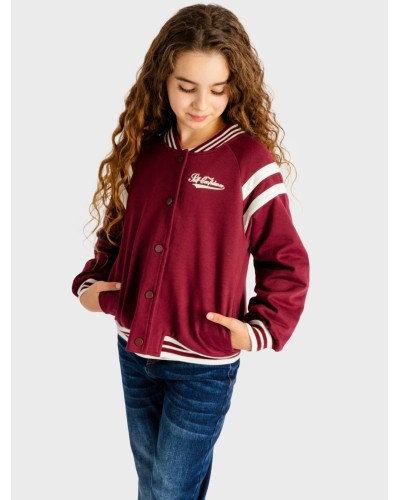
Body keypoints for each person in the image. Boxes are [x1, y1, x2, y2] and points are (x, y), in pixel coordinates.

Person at [71, 3, 310, 499]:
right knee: (153, 483)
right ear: (162, 79)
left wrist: (259, 329)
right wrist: (93, 286)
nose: (202, 103)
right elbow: (115, 233)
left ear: (235, 86)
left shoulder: (248, 162)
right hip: (133, 350)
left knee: (169, 488)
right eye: (187, 86)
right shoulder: (144, 152)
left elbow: (285, 259)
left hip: (203, 364)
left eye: (218, 89)